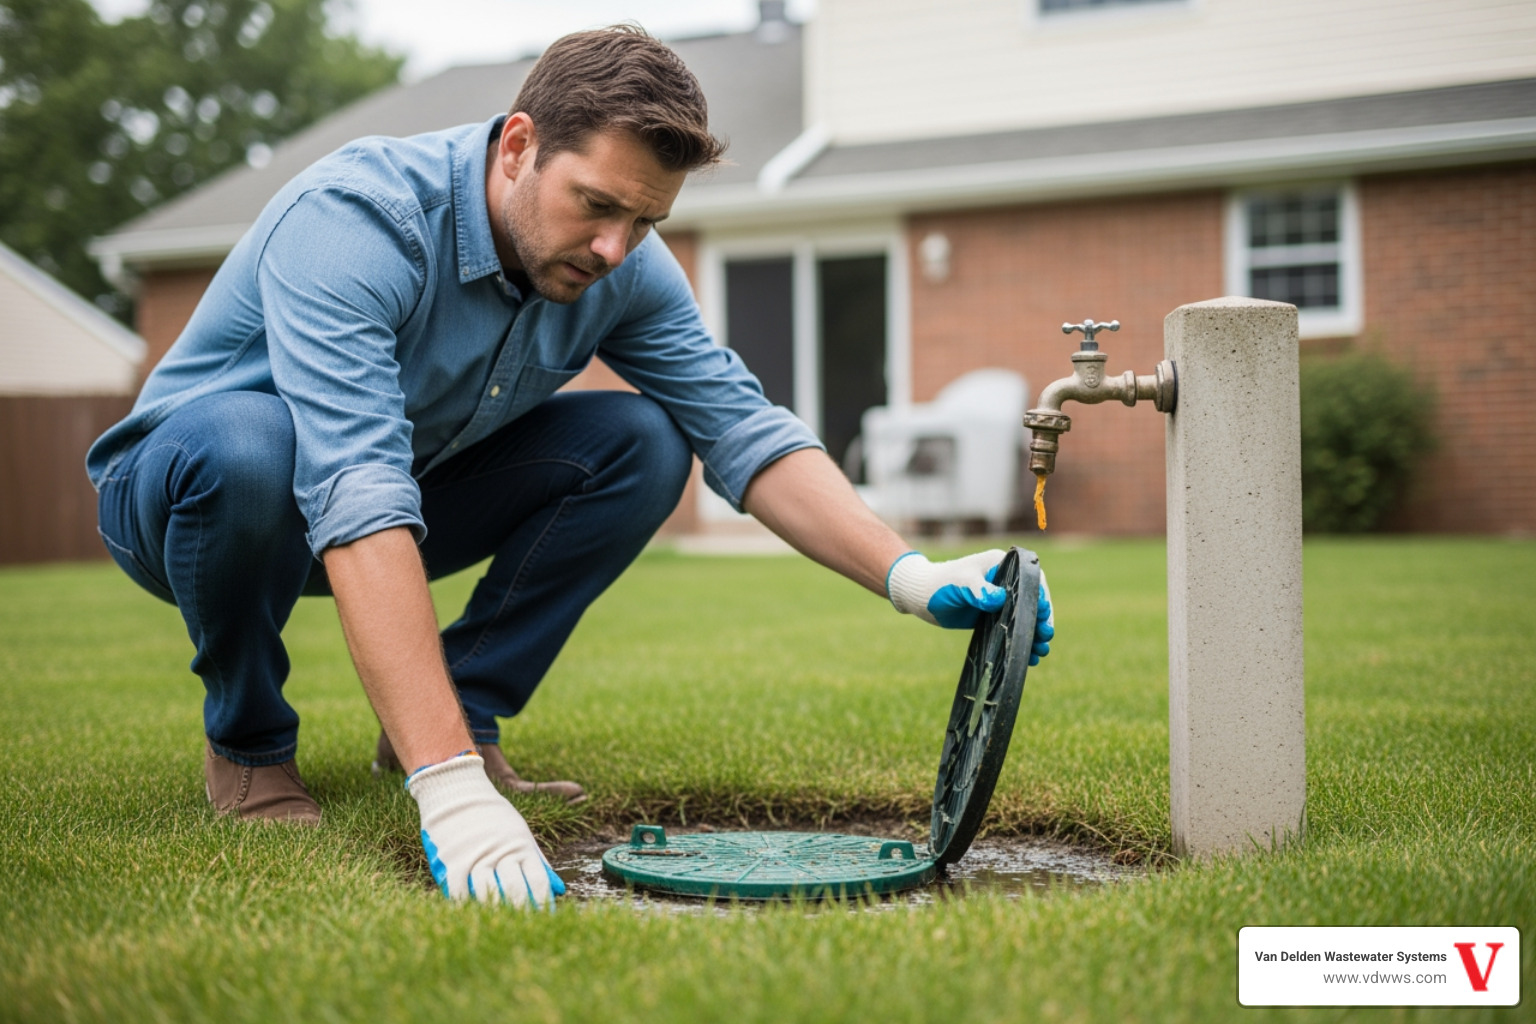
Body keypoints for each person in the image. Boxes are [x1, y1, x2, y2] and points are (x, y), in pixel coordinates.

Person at [87, 26, 1053, 909]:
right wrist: (450, 791)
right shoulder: (358, 222)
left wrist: (910, 574)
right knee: (258, 446)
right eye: (596, 206)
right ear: (517, 147)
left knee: (645, 441)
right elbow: (355, 489)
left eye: (644, 222)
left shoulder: (624, 266)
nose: (613, 248)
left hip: (388, 494)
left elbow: (742, 429)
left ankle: (462, 709)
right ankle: (251, 744)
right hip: (192, 499)